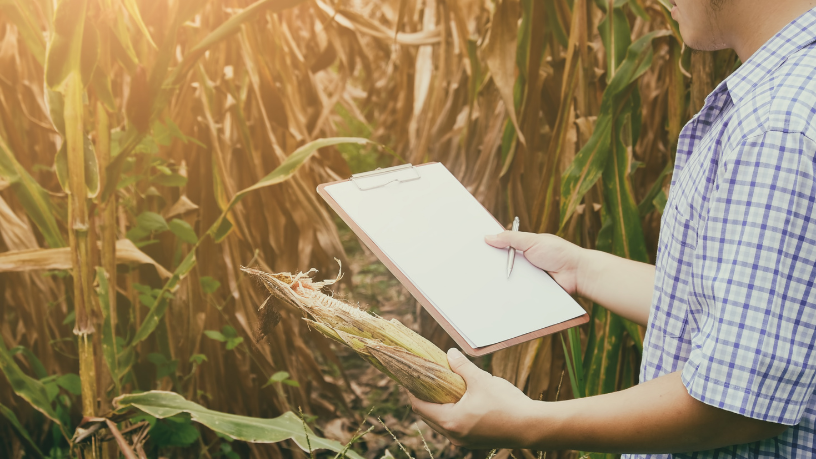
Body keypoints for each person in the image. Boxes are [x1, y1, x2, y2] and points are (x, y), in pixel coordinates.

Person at [408, 0, 816, 456]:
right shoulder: (792, 93)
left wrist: (526, 422)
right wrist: (583, 268)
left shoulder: (776, 128)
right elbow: (755, 311)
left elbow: (733, 403)